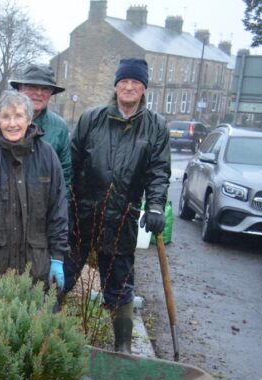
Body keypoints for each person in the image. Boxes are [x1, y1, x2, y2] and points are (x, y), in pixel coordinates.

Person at [62, 57, 170, 353]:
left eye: (136, 82)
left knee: (120, 286)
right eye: (124, 81)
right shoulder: (91, 118)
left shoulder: (155, 126)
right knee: (62, 277)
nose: (129, 87)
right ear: (116, 85)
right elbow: (71, 164)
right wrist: (63, 206)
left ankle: (122, 349)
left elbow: (158, 171)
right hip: (82, 215)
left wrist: (156, 206)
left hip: (121, 217)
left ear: (144, 88)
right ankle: (44, 335)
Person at [0, 90, 68, 287]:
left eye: (18, 116)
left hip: (35, 266)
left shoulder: (47, 156)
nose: (12, 124)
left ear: (29, 118)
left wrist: (58, 257)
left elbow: (58, 211)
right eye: (6, 117)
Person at [0, 64, 71, 194]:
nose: (39, 93)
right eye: (32, 86)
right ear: (19, 88)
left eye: (45, 88)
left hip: (38, 206)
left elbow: (64, 177)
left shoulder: (59, 128)